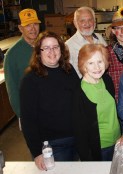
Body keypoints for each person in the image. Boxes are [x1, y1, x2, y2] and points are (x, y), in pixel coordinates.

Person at [20, 31, 80, 170]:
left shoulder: (69, 70)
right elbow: (28, 120)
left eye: (55, 47)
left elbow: (78, 103)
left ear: (61, 49)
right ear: (38, 52)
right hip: (52, 144)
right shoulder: (30, 79)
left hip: (75, 138)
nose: (51, 51)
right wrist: (36, 152)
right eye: (46, 48)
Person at [73, 44, 121, 161]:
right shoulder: (78, 92)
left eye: (100, 61)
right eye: (90, 63)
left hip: (118, 142)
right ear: (83, 66)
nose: (97, 67)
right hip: (99, 148)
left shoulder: (107, 80)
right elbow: (79, 132)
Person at [4, 8, 41, 130]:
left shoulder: (44, 46)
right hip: (28, 110)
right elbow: (12, 89)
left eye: (35, 24)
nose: (33, 28)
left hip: (48, 106)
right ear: (20, 28)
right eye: (28, 25)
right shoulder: (12, 54)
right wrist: (22, 113)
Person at [66, 6, 107, 78]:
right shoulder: (68, 45)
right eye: (82, 21)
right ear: (75, 23)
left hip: (102, 83)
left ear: (94, 21)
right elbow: (67, 73)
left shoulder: (100, 38)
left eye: (90, 20)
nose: (87, 24)